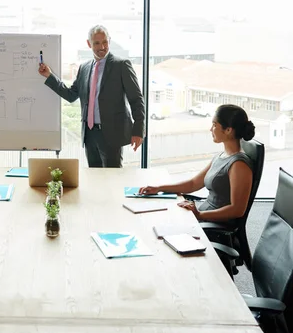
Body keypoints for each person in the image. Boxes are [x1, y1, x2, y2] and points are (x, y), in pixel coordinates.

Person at [38, 25, 145, 168]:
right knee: (94, 179)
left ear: (109, 41)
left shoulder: (122, 65)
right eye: (97, 43)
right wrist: (50, 76)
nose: (102, 47)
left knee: (112, 180)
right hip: (89, 135)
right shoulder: (84, 67)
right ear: (89, 44)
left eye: (105, 42)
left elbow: (136, 99)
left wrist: (138, 131)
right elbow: (71, 95)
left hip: (112, 135)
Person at [139, 104, 256, 225]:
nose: (211, 129)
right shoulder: (221, 156)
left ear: (228, 130)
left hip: (214, 224)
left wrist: (199, 215)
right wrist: (159, 188)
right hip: (202, 216)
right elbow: (193, 184)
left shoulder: (239, 165)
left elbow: (237, 210)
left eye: (214, 125)